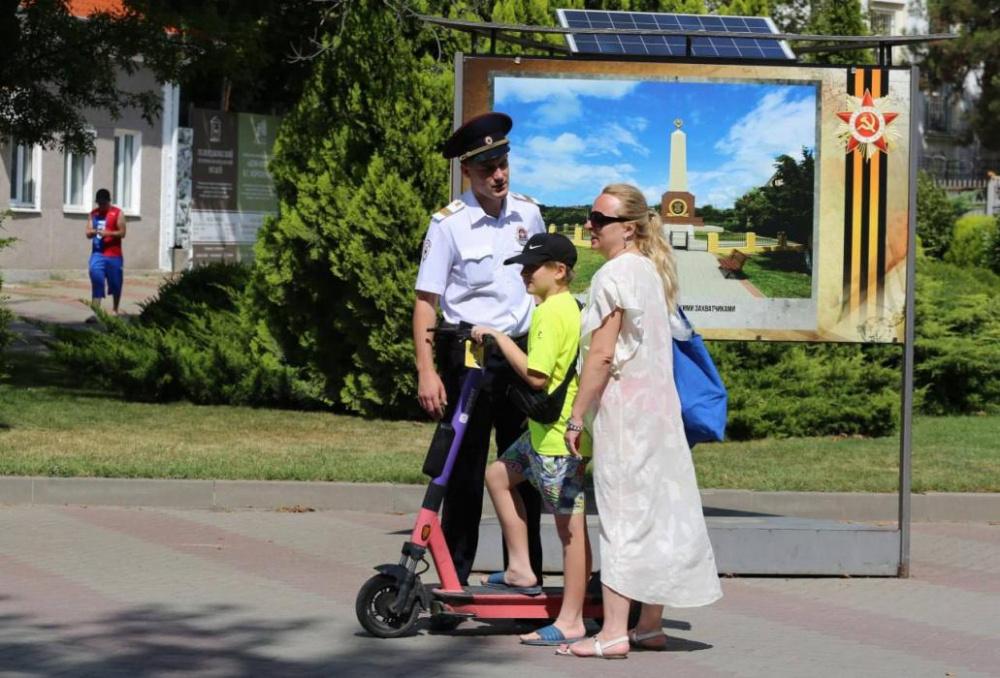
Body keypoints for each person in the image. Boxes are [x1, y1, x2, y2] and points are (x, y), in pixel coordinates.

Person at [559, 184, 722, 660]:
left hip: (626, 417)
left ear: (627, 228)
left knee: (622, 520)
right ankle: (649, 625)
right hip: (660, 415)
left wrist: (574, 418)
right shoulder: (652, 272)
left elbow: (603, 355)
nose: (590, 224)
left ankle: (611, 632)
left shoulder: (614, 275)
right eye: (590, 216)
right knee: (658, 514)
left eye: (598, 218)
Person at [413, 112, 546, 585]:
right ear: (467, 171)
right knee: (463, 473)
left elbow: (543, 290)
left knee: (521, 470)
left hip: (519, 356)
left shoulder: (528, 214)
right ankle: (455, 579)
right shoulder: (449, 224)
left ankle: (526, 571)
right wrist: (426, 372)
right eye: (488, 166)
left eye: (504, 162)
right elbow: (426, 303)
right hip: (468, 359)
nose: (499, 175)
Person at [471, 233, 593, 646]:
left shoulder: (549, 312)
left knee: (570, 533)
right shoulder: (567, 307)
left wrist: (499, 338)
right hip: (542, 436)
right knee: (498, 475)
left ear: (559, 272)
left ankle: (572, 620)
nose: (524, 273)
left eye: (532, 267)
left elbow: (537, 376)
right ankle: (521, 568)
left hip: (558, 444)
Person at [85, 188, 126, 319]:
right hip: (98, 253)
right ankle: (95, 313)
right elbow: (87, 232)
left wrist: (108, 233)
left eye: (103, 203)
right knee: (96, 279)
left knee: (115, 283)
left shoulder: (117, 213)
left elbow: (122, 233)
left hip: (114, 255)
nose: (101, 206)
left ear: (109, 201)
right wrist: (91, 232)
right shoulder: (93, 214)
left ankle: (115, 309)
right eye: (99, 203)